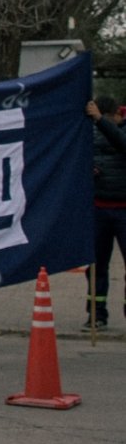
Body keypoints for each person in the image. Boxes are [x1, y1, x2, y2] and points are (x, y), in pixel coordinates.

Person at [85, 97, 126, 329]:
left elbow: (122, 143)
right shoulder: (91, 132)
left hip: (124, 210)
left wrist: (100, 120)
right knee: (97, 266)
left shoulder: (111, 128)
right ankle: (96, 314)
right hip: (99, 208)